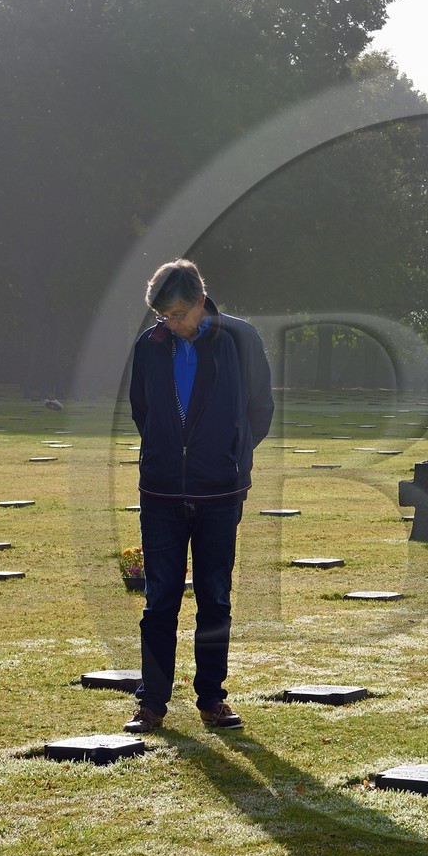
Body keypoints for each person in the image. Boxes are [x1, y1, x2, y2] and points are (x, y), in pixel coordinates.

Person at [126, 259, 273, 733]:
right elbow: (141, 410)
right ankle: (151, 703)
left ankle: (212, 699)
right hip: (162, 491)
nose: (169, 324)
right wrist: (166, 452)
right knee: (159, 600)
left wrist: (232, 454)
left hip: (219, 490)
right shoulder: (149, 345)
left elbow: (260, 407)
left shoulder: (240, 338)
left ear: (198, 302)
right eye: (162, 316)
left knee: (215, 597)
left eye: (176, 314)